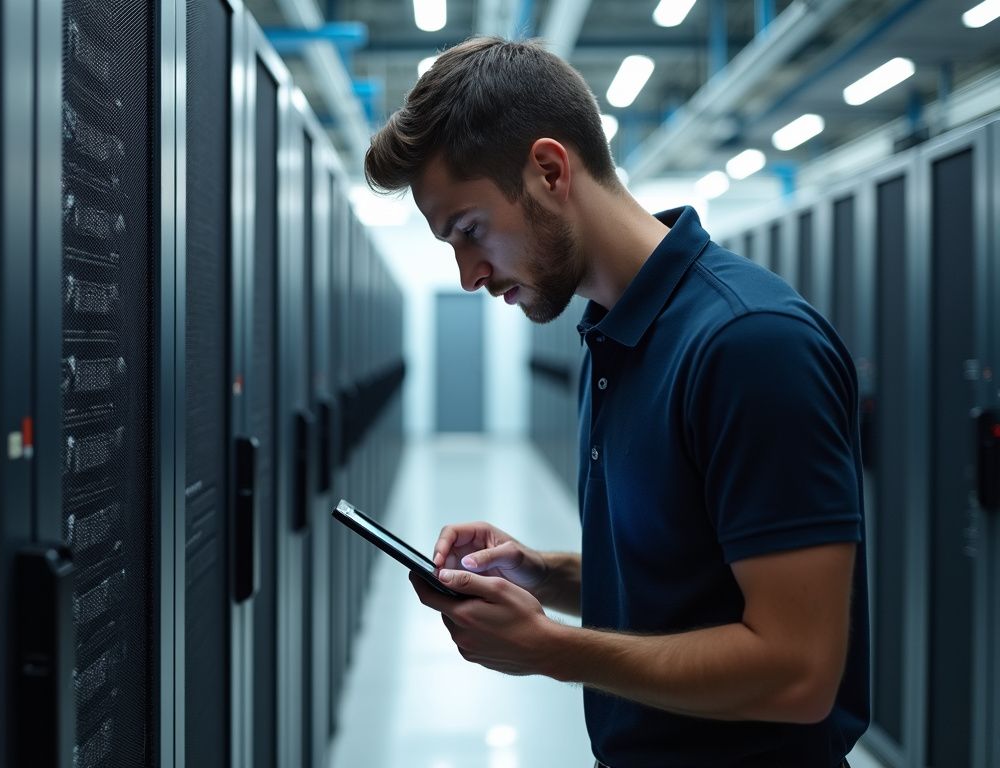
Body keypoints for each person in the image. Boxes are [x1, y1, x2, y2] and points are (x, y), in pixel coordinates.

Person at [363, 37, 867, 768]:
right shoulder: (614, 338)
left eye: (469, 231)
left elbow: (798, 672)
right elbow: (684, 582)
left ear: (548, 170)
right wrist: (544, 573)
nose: (469, 275)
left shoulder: (749, 345)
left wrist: (550, 650)